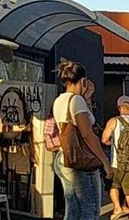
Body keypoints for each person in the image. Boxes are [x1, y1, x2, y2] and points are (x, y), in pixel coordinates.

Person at [52, 60, 113, 220]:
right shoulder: (76, 100)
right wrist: (105, 162)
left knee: (72, 210)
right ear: (83, 80)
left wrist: (87, 98)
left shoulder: (60, 100)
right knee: (90, 209)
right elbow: (87, 134)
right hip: (80, 160)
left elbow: (81, 121)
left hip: (64, 156)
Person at [102, 95, 129, 220]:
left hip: (117, 161)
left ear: (119, 107)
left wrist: (114, 143)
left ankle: (117, 208)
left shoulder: (114, 121)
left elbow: (104, 139)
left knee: (113, 185)